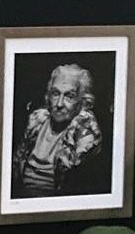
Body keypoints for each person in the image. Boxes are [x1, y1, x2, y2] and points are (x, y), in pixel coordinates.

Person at [13, 64, 103, 198]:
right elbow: (14, 168)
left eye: (69, 96)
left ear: (84, 102)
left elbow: (72, 187)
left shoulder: (85, 130)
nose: (59, 104)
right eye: (55, 94)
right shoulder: (37, 121)